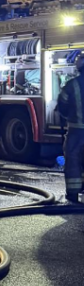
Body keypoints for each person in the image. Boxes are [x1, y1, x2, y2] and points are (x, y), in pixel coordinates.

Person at [56, 54, 84, 203]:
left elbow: (62, 105)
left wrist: (69, 117)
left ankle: (73, 194)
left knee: (73, 161)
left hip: (76, 131)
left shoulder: (72, 85)